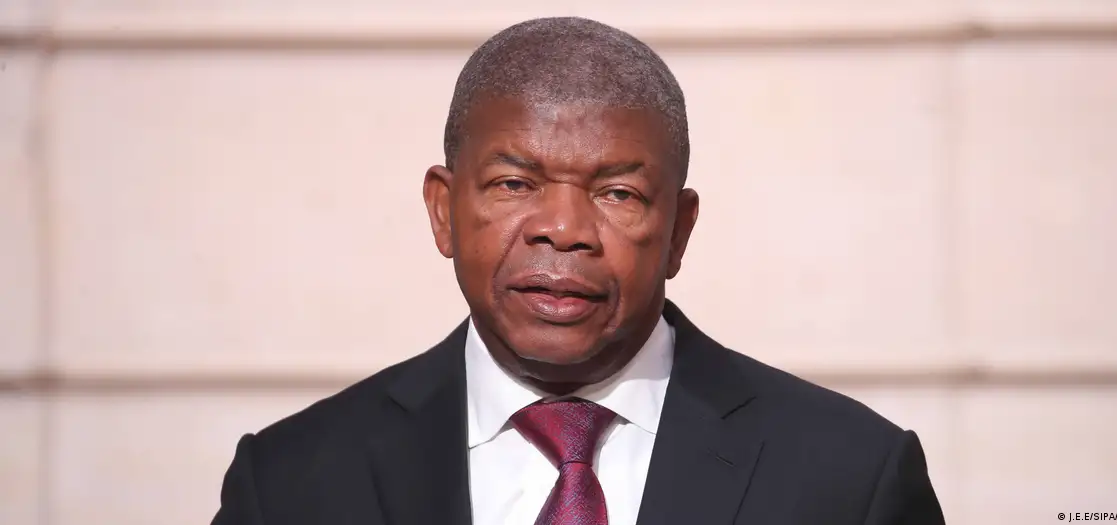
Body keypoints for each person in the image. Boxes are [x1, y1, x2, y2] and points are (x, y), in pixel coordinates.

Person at [211, 16, 945, 525]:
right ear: (443, 210)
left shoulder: (850, 479)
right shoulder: (290, 484)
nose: (562, 229)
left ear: (679, 231)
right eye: (513, 184)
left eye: (618, 193)